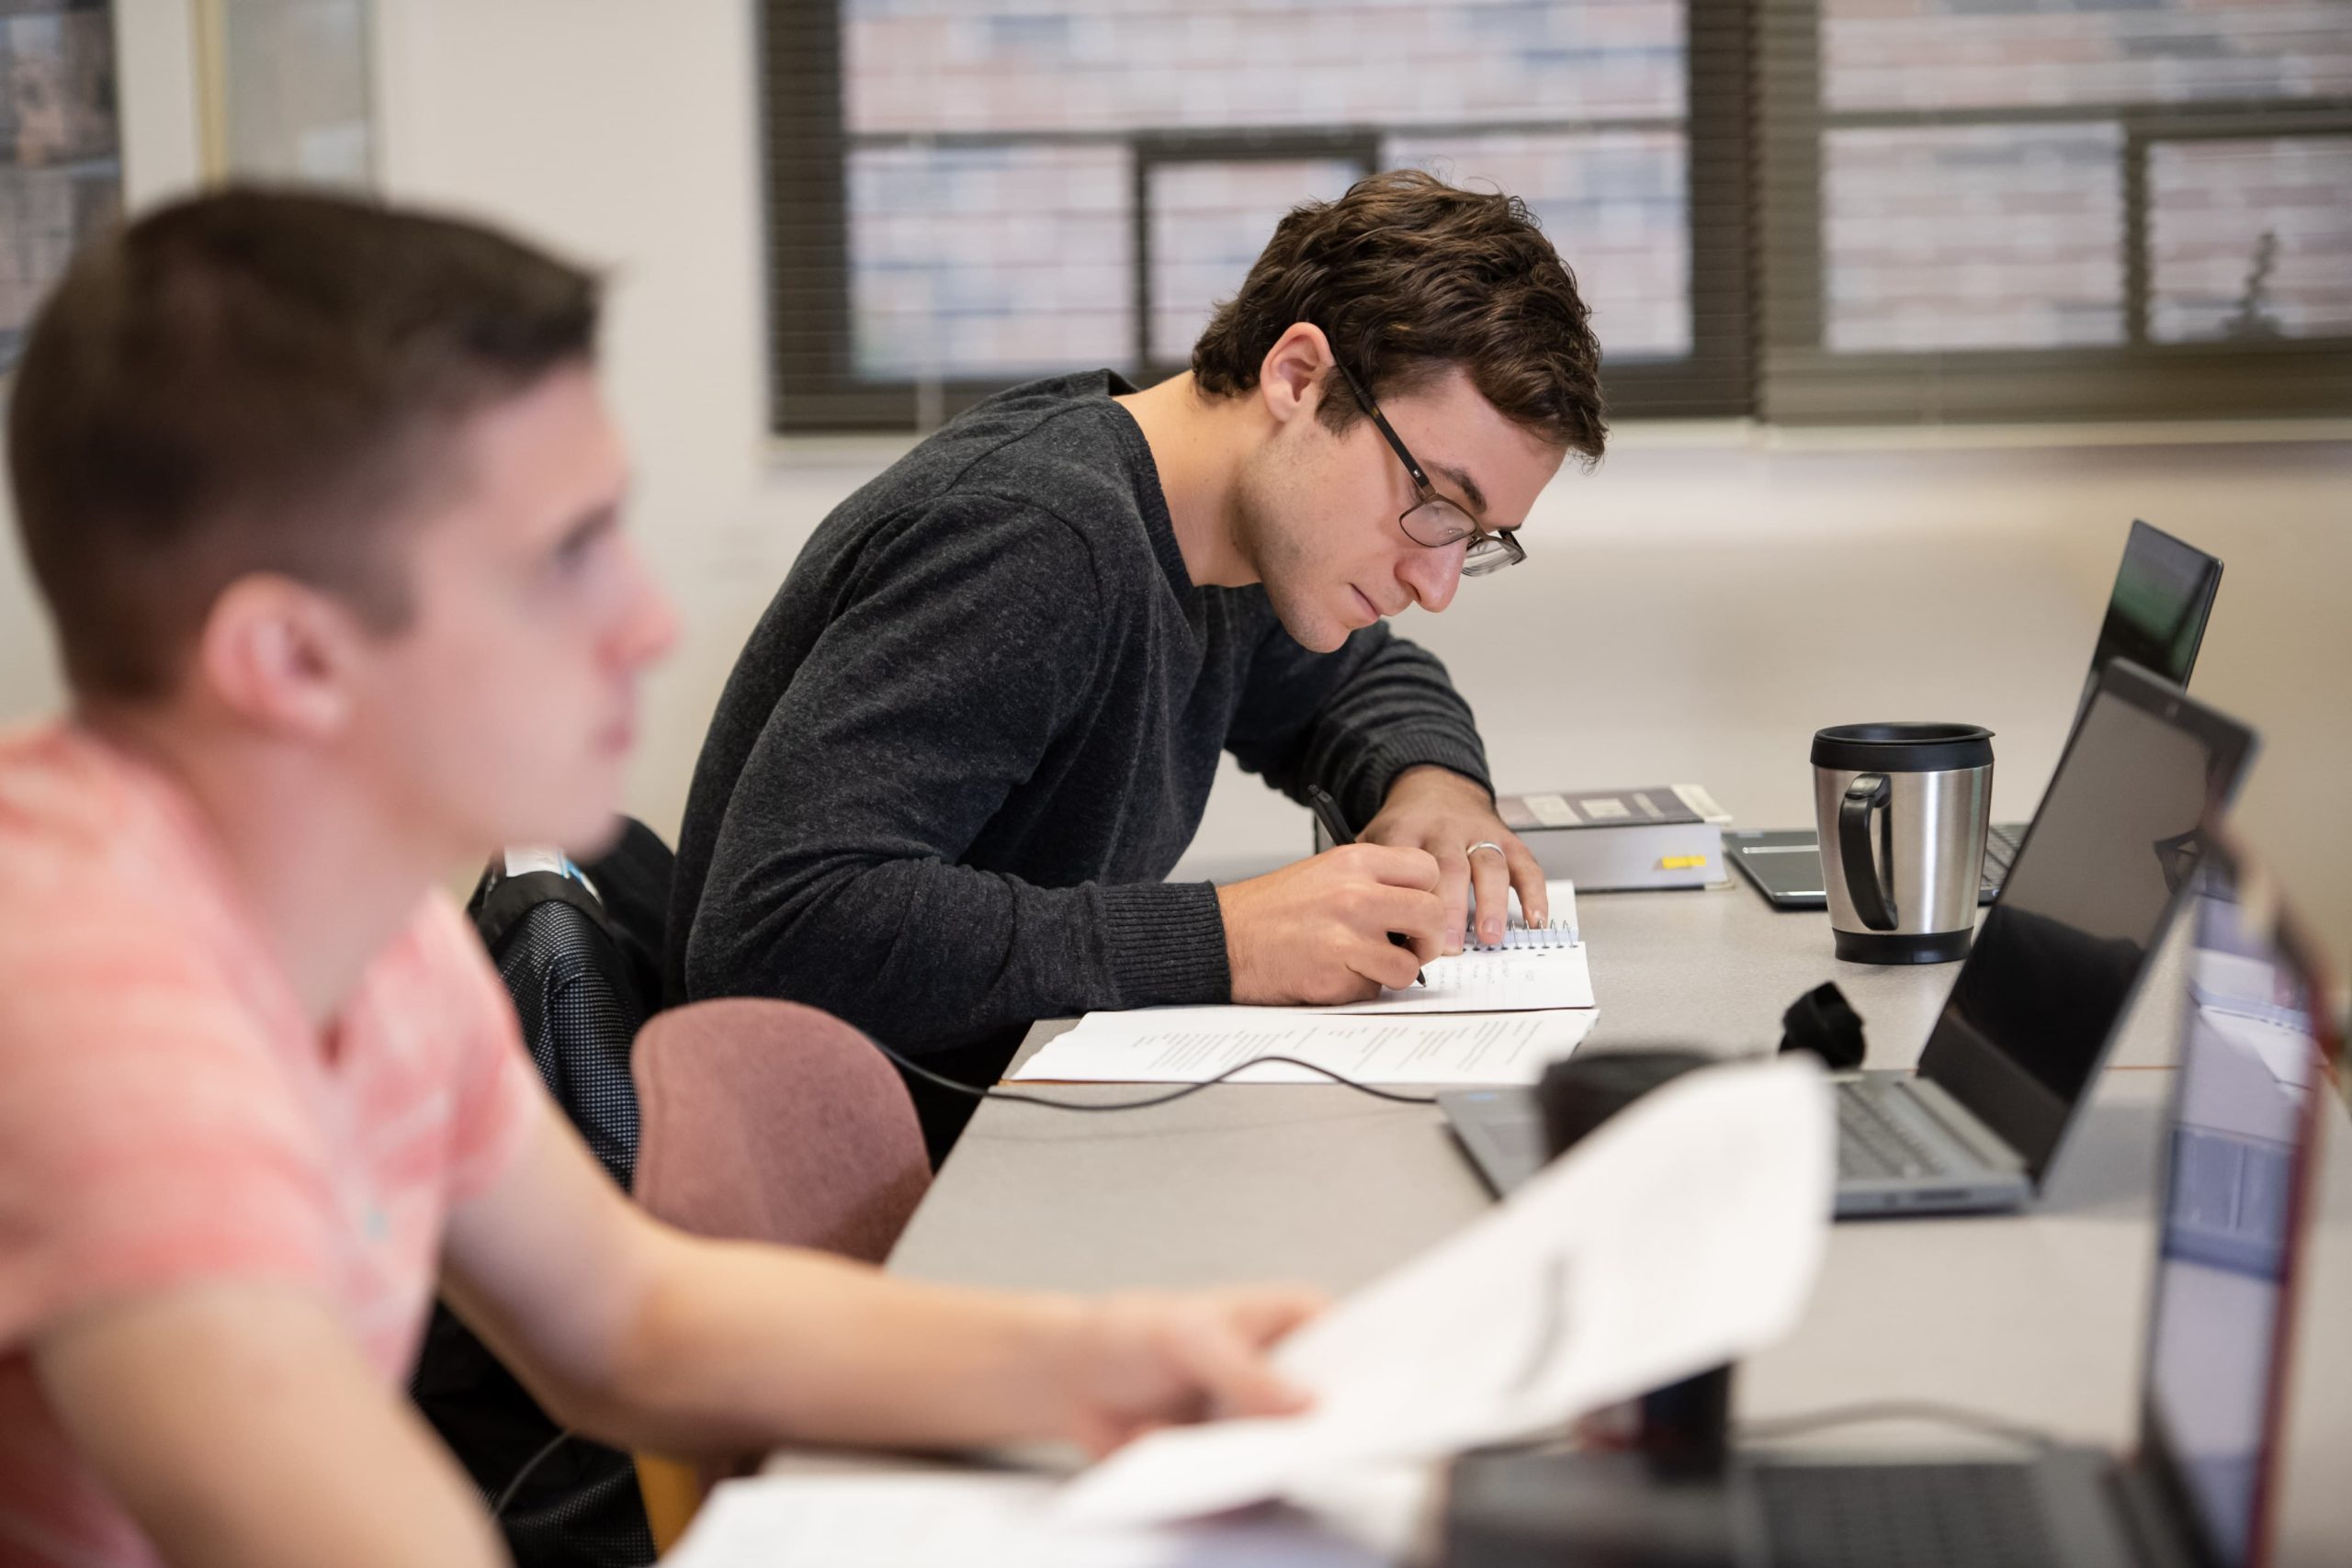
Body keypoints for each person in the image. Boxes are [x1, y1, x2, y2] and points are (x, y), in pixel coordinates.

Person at [0, 189, 1317, 1568]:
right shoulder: (104, 1027)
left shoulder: (364, 928)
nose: (648, 621)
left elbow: (629, 1321)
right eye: (565, 554)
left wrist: (1124, 1357)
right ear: (291, 660)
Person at [670, 170, 1609, 1156]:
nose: (1436, 581)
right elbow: (779, 931)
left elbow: (1362, 679)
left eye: (1476, 539)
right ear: (1299, 378)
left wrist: (1436, 785)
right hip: (867, 1187)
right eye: (1434, 501)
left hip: (1005, 1140)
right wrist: (1227, 939)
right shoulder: (1037, 540)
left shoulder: (1228, 543)